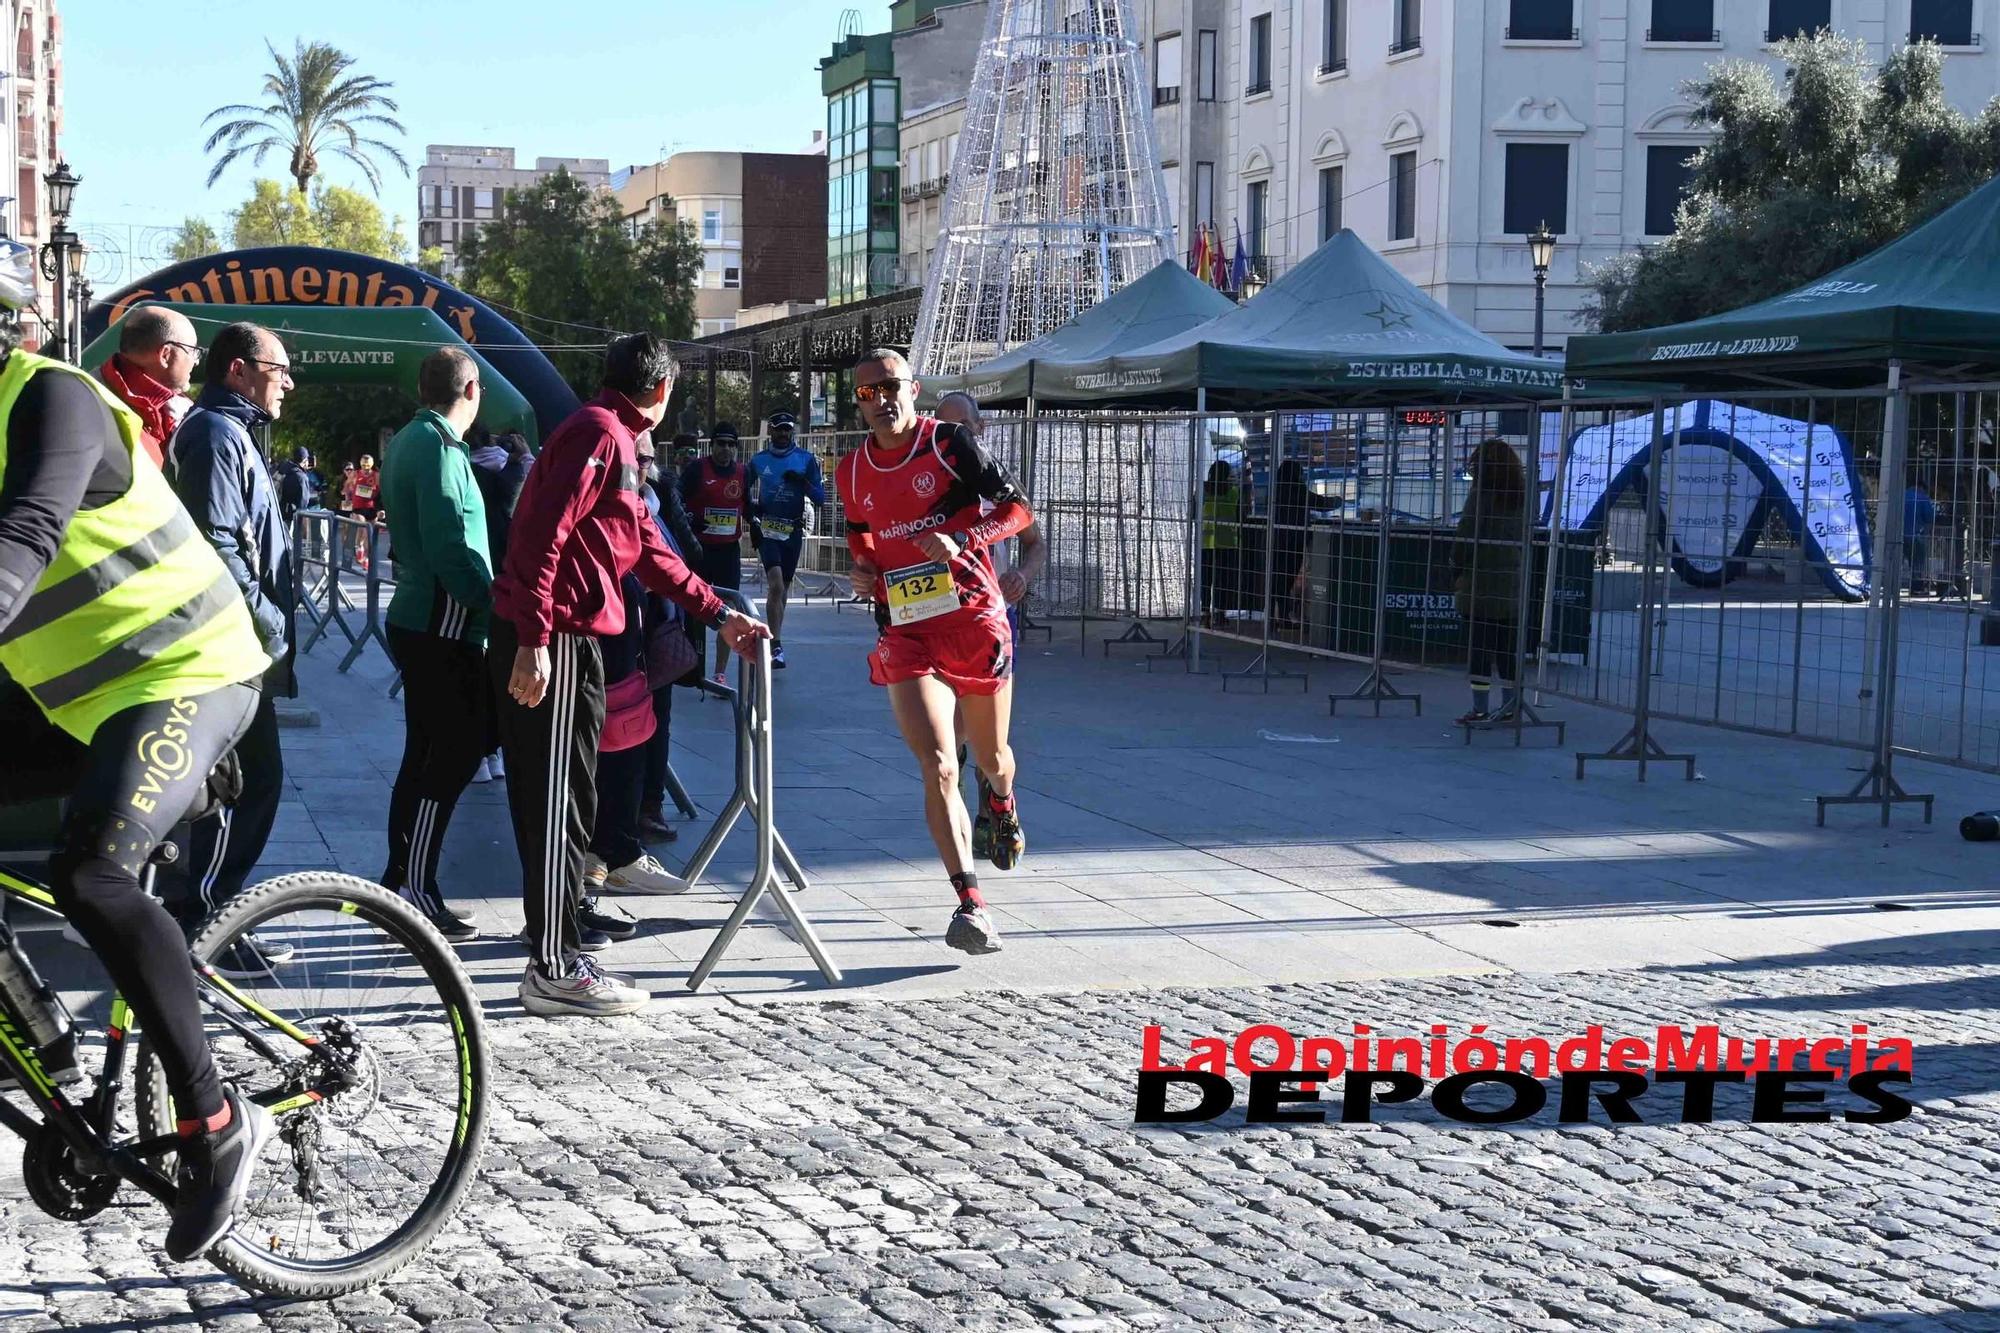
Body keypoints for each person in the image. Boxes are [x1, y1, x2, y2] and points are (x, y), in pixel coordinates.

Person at [0, 239, 276, 1260]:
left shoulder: (52, 400)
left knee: (90, 873)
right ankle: (42, 1039)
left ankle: (216, 1122)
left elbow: (25, 535)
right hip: (89, 700)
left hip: (187, 672)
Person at [491, 332, 769, 1017]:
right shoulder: (600, 433)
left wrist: (716, 613)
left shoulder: (606, 435)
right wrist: (535, 638)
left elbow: (644, 546)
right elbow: (541, 533)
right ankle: (553, 964)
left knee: (566, 799)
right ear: (662, 391)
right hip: (557, 635)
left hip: (566, 636)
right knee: (557, 802)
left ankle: (555, 947)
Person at [838, 349, 1033, 956]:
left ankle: (1000, 802)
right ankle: (971, 904)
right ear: (858, 402)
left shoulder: (948, 444)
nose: (881, 400)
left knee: (991, 757)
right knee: (940, 766)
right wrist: (863, 571)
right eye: (868, 393)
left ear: (913, 388)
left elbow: (1018, 509)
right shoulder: (849, 470)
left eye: (891, 386)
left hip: (973, 618)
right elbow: (861, 533)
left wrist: (961, 537)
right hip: (905, 627)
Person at [166, 321, 295, 975]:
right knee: (241, 783)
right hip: (231, 647)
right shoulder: (217, 434)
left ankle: (214, 917)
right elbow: (217, 542)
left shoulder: (228, 432)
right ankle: (206, 922)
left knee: (249, 781)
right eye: (280, 369)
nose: (289, 383)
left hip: (236, 644)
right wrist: (269, 624)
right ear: (239, 370)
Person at [377, 349, 493, 943]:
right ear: (469, 387)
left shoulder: (409, 439)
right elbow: (453, 547)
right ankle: (416, 886)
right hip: (443, 620)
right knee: (450, 755)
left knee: (424, 754)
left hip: (422, 616)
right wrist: (496, 602)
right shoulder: (442, 447)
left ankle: (400, 880)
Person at [933, 391, 1047, 857]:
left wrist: (1022, 574)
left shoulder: (1000, 484)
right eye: (944, 428)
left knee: (982, 730)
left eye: (962, 426)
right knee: (946, 727)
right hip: (938, 617)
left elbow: (1036, 542)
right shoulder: (928, 482)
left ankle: (993, 807)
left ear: (980, 430)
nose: (953, 436)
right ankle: (959, 801)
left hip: (992, 617)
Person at [640, 431, 703, 843]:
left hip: (661, 631)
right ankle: (619, 818)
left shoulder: (661, 494)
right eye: (633, 456)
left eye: (646, 457)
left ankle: (650, 807)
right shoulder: (602, 497)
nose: (640, 465)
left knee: (657, 722)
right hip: (619, 634)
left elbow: (687, 554)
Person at [467, 428, 533, 784]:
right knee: (500, 673)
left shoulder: (464, 468)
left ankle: (481, 751)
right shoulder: (513, 472)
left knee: (479, 668)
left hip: (478, 578)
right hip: (508, 580)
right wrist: (521, 458)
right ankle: (493, 749)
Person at [1453, 437, 1530, 725]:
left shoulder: (1481, 493)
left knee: (1480, 649)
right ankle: (1510, 705)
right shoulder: (1520, 493)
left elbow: (1467, 531)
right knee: (1507, 647)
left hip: (1480, 579)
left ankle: (1480, 708)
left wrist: (1455, 564)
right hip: (1510, 576)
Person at [746, 411, 825, 670]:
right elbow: (741, 491)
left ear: (792, 431)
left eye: (787, 429)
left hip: (792, 531)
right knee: (776, 585)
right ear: (771, 431)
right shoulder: (759, 460)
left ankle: (776, 640)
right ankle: (775, 643)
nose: (783, 434)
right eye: (778, 429)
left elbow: (822, 498)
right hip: (768, 530)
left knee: (783, 590)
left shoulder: (805, 459)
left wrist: (802, 483)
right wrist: (752, 516)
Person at [95, 304, 202, 468]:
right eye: (193, 350)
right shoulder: (92, 402)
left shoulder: (180, 410)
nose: (196, 361)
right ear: (165, 355)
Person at [680, 423, 747, 683]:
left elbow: (746, 506)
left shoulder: (743, 472)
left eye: (731, 444)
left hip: (728, 551)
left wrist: (757, 519)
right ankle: (694, 667)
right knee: (697, 607)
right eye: (721, 443)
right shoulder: (698, 469)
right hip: (700, 550)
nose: (726, 449)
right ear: (712, 445)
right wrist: (690, 520)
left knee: (728, 610)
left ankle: (720, 672)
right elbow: (678, 499)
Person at [1200, 460, 1243, 628]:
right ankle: (1220, 614)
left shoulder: (1203, 491)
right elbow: (1241, 515)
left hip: (1206, 542)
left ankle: (1204, 614)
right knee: (1222, 580)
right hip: (1227, 543)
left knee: (1206, 579)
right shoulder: (1234, 492)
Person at [1272, 458, 1310, 635]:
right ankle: (1284, 618)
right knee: (1286, 579)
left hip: (1277, 539)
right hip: (1294, 539)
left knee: (1278, 579)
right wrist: (1335, 501)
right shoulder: (1298, 489)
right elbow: (1314, 501)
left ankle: (1276, 617)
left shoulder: (1277, 488)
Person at [346, 452, 381, 568]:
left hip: (371, 507)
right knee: (362, 528)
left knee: (370, 535)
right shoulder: (355, 474)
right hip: (358, 507)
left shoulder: (376, 475)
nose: (365, 469)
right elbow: (347, 486)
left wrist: (374, 493)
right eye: (363, 466)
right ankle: (359, 547)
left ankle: (366, 557)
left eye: (368, 466)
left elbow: (380, 490)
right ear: (361, 465)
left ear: (371, 465)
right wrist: (348, 497)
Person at [1904, 479, 1936, 597]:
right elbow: (1929, 517)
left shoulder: (1901, 495)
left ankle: (1891, 587)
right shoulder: (1922, 498)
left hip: (1898, 534)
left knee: (1897, 561)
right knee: (1917, 562)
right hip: (1916, 534)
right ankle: (1916, 588)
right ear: (1922, 488)